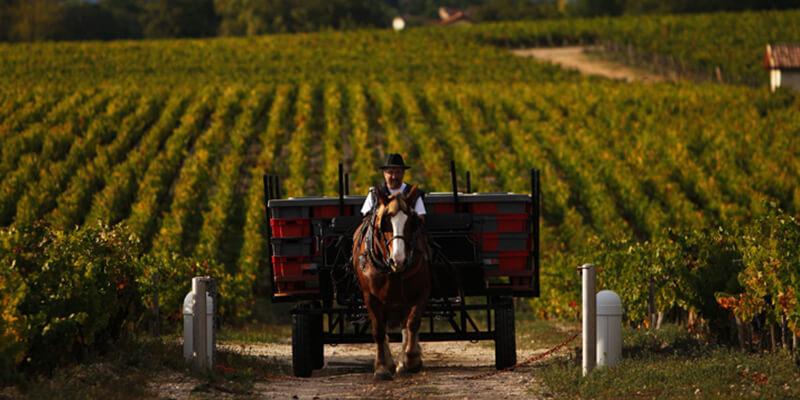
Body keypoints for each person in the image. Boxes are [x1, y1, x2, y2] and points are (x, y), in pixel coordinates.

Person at [361, 153, 426, 219]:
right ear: (384, 174)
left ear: (403, 173)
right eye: (390, 172)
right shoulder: (375, 193)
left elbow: (420, 218)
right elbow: (366, 217)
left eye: (398, 172)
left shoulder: (413, 193)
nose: (394, 176)